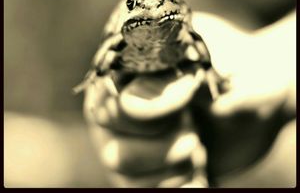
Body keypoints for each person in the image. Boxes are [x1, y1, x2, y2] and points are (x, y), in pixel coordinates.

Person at [83, 11, 296, 188]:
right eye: (136, 5)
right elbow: (108, 51)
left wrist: (215, 72)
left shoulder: (184, 33)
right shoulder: (121, 40)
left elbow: (196, 41)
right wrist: (98, 79)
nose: (153, 10)